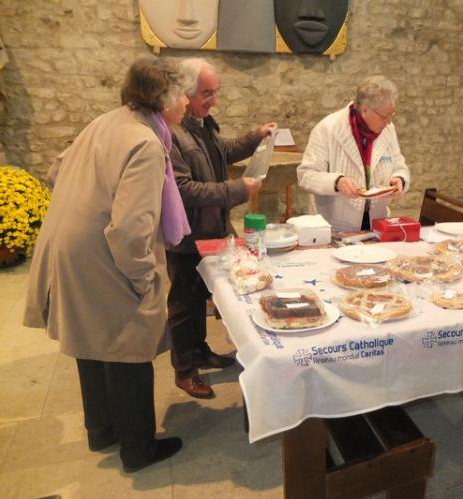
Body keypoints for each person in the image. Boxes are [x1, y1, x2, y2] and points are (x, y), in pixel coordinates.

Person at [23, 58, 190, 472]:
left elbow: (55, 170)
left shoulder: (107, 121)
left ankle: (102, 431)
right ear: (166, 99)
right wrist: (143, 275)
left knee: (91, 341)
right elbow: (132, 228)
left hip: (71, 244)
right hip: (103, 252)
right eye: (183, 93)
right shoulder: (147, 143)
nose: (186, 102)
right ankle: (138, 448)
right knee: (126, 344)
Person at [167, 57, 276, 399]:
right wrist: (239, 190)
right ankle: (184, 370)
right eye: (206, 93)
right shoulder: (171, 133)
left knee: (202, 296)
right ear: (184, 93)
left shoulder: (201, 123)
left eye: (216, 92)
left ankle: (200, 352)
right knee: (184, 305)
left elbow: (222, 152)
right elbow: (184, 190)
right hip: (186, 235)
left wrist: (256, 136)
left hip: (211, 231)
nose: (214, 100)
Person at [297, 75, 410, 232]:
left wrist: (399, 180)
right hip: (335, 226)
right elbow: (306, 176)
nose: (389, 121)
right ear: (365, 109)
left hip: (377, 222)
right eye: (385, 116)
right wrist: (337, 182)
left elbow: (399, 165)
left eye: (392, 115)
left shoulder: (388, 130)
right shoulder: (328, 128)